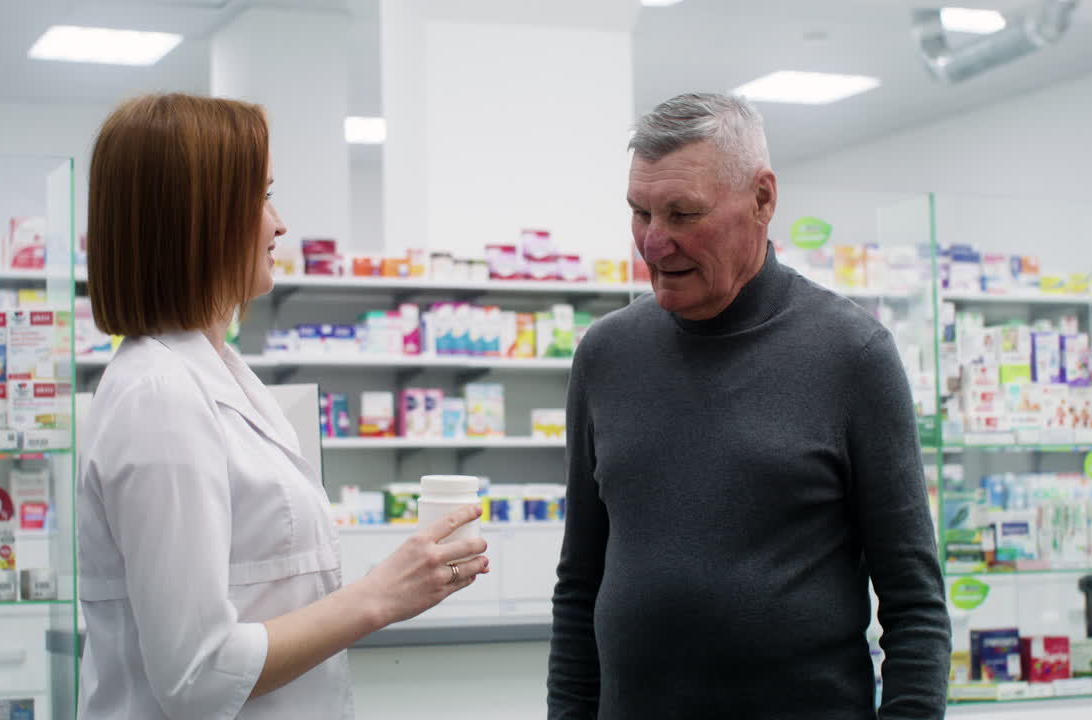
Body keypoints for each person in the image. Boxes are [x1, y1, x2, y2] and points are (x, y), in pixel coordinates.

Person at [77, 93, 489, 719]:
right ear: (198, 216)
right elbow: (197, 673)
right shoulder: (159, 398)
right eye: (262, 196)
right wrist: (382, 595)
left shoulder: (216, 373)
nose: (279, 223)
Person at [547, 93, 950, 719]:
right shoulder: (605, 355)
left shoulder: (852, 354)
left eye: (682, 215)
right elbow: (579, 587)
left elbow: (915, 607)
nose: (653, 245)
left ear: (762, 199)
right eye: (640, 213)